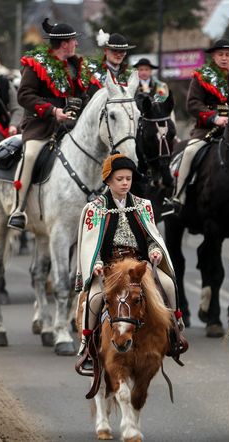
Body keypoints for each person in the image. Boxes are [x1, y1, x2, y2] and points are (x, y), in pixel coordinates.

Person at [74, 153, 183, 372]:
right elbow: (89, 244)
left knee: (169, 285)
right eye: (119, 179)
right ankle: (87, 347)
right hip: (109, 268)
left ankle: (174, 332)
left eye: (128, 179)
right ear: (108, 181)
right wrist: (95, 263)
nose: (125, 183)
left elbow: (153, 238)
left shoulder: (143, 206)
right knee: (94, 299)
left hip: (138, 266)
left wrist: (154, 253)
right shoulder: (95, 209)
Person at [8, 18, 92, 231]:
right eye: (74, 41)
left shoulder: (76, 65)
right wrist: (53, 111)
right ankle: (18, 209)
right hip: (40, 125)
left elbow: (83, 95)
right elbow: (24, 95)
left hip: (71, 126)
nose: (76, 44)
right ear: (64, 43)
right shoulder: (35, 63)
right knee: (29, 155)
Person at [170, 38, 229, 210]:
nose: (224, 58)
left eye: (228, 54)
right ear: (213, 56)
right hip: (206, 129)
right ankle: (179, 196)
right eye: (220, 54)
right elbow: (192, 103)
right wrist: (214, 118)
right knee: (189, 152)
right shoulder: (201, 77)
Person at [86, 29, 135, 97]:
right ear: (105, 51)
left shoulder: (130, 74)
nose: (118, 55)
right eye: (114, 50)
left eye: (122, 51)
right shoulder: (93, 73)